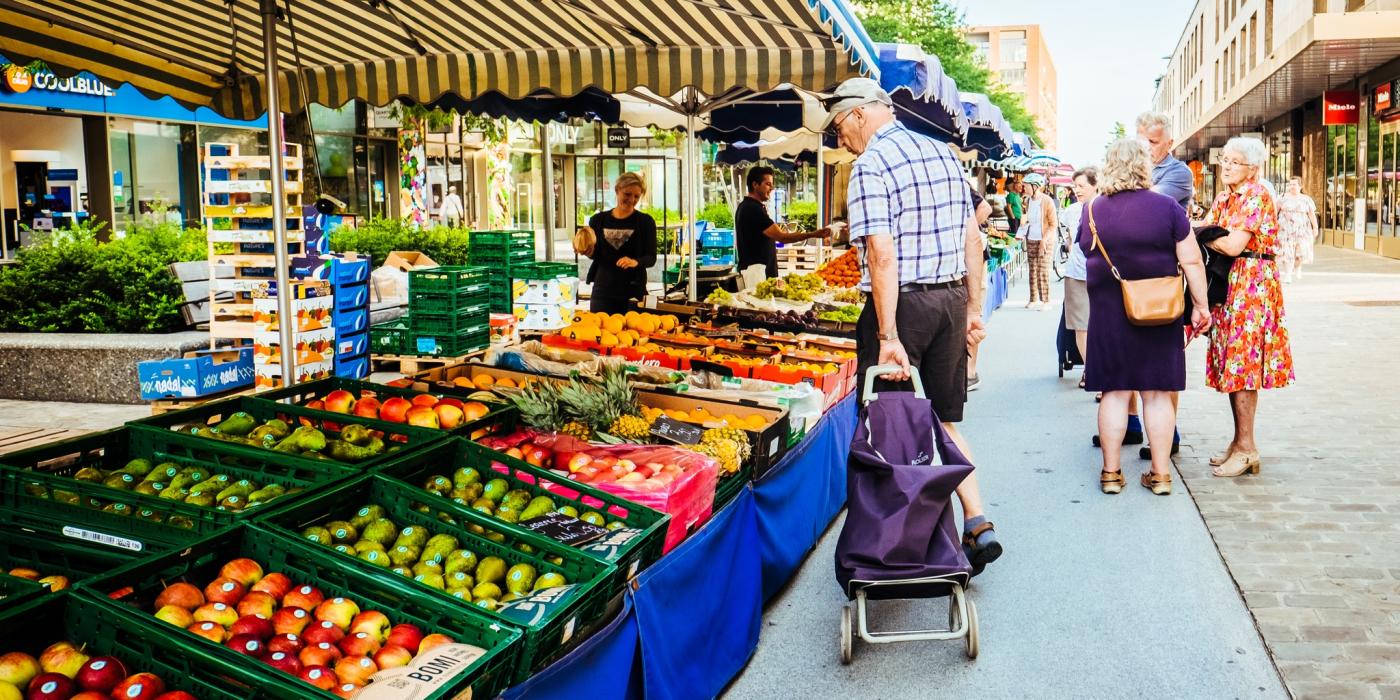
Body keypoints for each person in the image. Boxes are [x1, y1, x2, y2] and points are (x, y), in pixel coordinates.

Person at [824, 77, 1001, 573]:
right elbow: (973, 239)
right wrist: (971, 309)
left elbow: (881, 254)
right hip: (948, 300)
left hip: (903, 306)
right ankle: (977, 519)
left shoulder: (872, 164)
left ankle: (905, 548)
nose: (840, 140)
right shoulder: (942, 152)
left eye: (839, 128)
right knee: (942, 421)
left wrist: (887, 336)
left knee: (890, 426)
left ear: (860, 114)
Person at [1082, 139, 1211, 496]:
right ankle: (1160, 475)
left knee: (1115, 393)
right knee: (1156, 394)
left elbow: (1084, 249)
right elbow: (1191, 261)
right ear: (1144, 166)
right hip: (1160, 314)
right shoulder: (1168, 208)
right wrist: (1200, 306)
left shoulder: (1092, 210)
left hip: (1109, 316)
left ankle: (1110, 473)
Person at [1202, 137, 1295, 477]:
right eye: (1224, 160)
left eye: (1234, 162)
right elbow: (1210, 229)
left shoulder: (1256, 195)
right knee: (1232, 364)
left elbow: (1231, 244)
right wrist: (1208, 231)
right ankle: (1239, 442)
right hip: (1232, 283)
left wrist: (1205, 234)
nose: (1226, 166)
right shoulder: (1226, 196)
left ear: (1253, 168)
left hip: (1252, 284)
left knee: (1243, 365)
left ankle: (1247, 447)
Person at [735, 166, 839, 279]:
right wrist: (814, 234)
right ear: (755, 185)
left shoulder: (746, 206)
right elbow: (782, 237)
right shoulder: (752, 209)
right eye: (768, 184)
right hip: (756, 276)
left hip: (756, 273)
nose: (772, 188)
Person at [584, 172, 657, 314]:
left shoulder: (645, 222)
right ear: (617, 190)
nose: (632, 200)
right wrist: (588, 251)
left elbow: (651, 257)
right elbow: (596, 255)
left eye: (636, 196)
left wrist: (634, 262)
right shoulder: (597, 220)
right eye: (627, 194)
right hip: (603, 290)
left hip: (633, 291)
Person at [1060, 167, 1097, 387]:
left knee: (1102, 326)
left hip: (1101, 274)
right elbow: (1069, 238)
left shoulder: (1107, 207)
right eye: (1075, 186)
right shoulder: (1072, 211)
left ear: (1095, 185)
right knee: (1081, 326)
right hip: (1076, 273)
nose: (1077, 190)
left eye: (1082, 186)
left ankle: (1101, 371)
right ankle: (1091, 372)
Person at [966, 186, 994, 392]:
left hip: (974, 259)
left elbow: (985, 207)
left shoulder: (956, 178)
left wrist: (967, 233)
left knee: (973, 312)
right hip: (963, 258)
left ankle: (970, 372)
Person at [1019, 174, 1057, 309]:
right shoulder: (1027, 201)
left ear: (1035, 186)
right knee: (1032, 270)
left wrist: (1044, 241)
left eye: (1026, 186)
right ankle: (1033, 299)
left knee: (1042, 270)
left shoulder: (1047, 201)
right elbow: (1027, 220)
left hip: (1045, 241)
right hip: (1031, 239)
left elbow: (1053, 225)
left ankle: (1046, 301)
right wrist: (1022, 229)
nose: (1024, 188)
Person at [1276, 177, 1318, 282]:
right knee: (1287, 252)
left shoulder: (1306, 199)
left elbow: (1312, 215)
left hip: (1302, 230)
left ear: (1300, 186)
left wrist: (1315, 227)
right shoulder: (1282, 198)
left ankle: (1297, 267)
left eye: (1294, 184)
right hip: (1285, 230)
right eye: (1290, 184)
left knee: (1302, 252)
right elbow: (1275, 213)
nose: (1292, 187)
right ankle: (1288, 274)